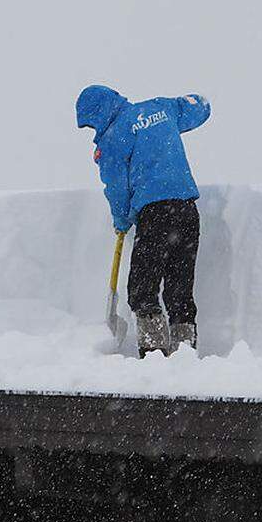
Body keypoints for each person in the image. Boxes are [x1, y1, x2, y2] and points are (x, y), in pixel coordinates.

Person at [75, 84, 211, 357]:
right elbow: (200, 108)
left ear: (99, 112)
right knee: (179, 289)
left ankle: (154, 354)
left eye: (91, 124)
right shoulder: (162, 108)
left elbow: (117, 187)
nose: (94, 130)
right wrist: (196, 101)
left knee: (142, 289)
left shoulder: (113, 138)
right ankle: (185, 353)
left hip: (156, 215)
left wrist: (122, 219)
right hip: (186, 211)